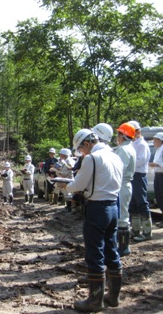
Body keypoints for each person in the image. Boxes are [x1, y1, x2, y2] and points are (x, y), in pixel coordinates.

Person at [66, 129, 123, 312]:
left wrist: (66, 185)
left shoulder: (92, 158)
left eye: (82, 150)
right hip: (113, 207)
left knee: (95, 253)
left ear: (87, 144)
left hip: (97, 208)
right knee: (111, 250)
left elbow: (79, 185)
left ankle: (95, 300)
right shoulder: (115, 156)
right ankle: (113, 296)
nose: (82, 153)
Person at [114, 123, 136, 257]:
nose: (117, 136)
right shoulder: (128, 148)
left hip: (122, 184)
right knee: (123, 215)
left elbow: (118, 168)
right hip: (125, 184)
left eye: (118, 134)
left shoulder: (123, 150)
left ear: (122, 135)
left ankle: (123, 247)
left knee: (122, 216)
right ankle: (122, 246)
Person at [128, 121, 152, 241]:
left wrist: (128, 164)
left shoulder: (142, 144)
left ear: (137, 131)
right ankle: (135, 230)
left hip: (139, 175)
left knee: (141, 202)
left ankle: (147, 232)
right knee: (133, 204)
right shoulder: (133, 144)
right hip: (133, 175)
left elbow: (141, 161)